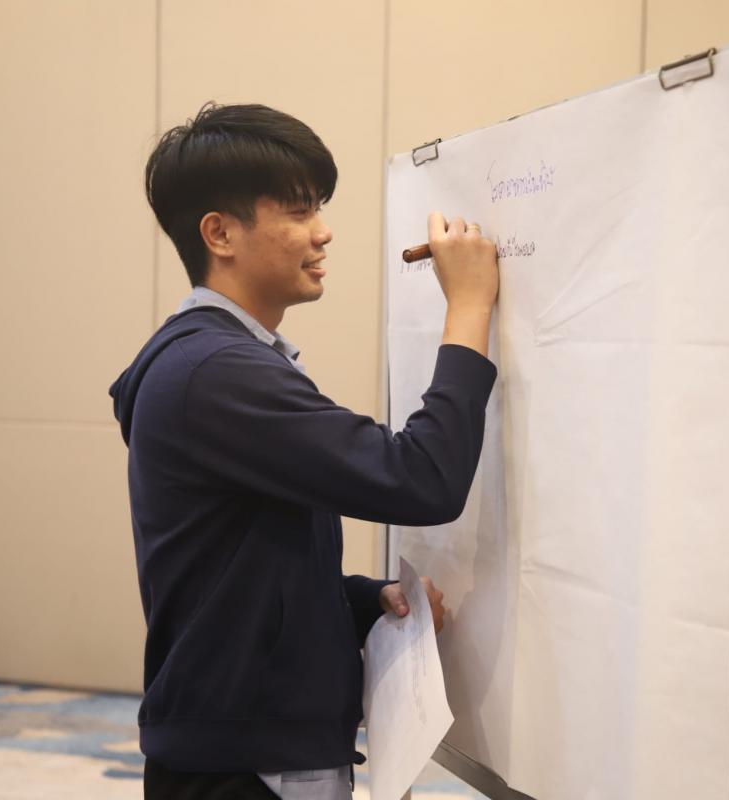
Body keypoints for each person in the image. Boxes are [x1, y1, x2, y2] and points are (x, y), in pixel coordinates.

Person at [109, 102, 499, 800]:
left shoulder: (215, 362)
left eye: (318, 207)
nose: (323, 232)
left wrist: (361, 599)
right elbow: (422, 479)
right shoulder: (217, 373)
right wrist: (469, 306)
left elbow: (236, 565)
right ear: (219, 233)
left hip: (241, 751)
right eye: (297, 211)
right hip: (248, 768)